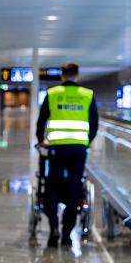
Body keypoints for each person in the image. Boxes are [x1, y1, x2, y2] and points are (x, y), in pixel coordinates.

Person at [36, 61, 98, 247]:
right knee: (74, 187)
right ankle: (67, 232)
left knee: (53, 186)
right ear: (77, 76)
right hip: (79, 148)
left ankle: (53, 227)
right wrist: (86, 141)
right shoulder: (87, 96)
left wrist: (41, 139)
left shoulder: (53, 94)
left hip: (57, 148)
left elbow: (41, 120)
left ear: (62, 76)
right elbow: (94, 125)